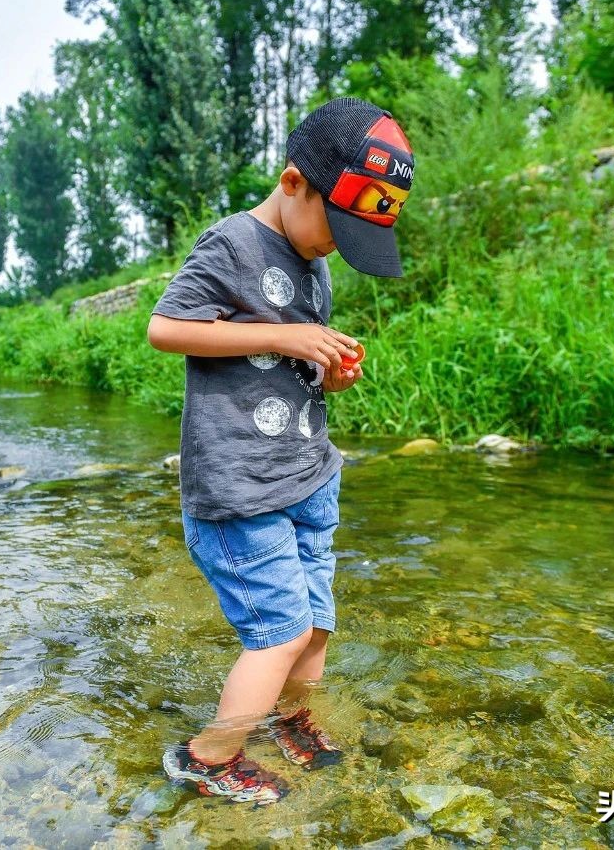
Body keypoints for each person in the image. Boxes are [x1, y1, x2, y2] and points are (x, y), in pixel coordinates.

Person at [148, 97, 414, 805]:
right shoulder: (232, 244)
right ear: (295, 181)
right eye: (339, 227)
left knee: (317, 622)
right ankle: (210, 754)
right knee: (279, 631)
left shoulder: (315, 265)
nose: (336, 248)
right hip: (240, 489)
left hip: (308, 473)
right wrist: (280, 335)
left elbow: (295, 365)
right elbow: (167, 327)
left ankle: (290, 719)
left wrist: (328, 369)